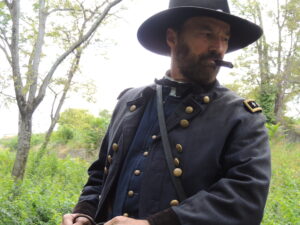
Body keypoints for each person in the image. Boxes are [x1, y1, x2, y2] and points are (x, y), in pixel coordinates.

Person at [61, 0, 271, 225]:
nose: (218, 48)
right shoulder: (130, 101)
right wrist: (85, 212)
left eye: (225, 38)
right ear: (172, 38)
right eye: (206, 34)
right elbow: (100, 175)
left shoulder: (242, 116)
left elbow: (245, 198)